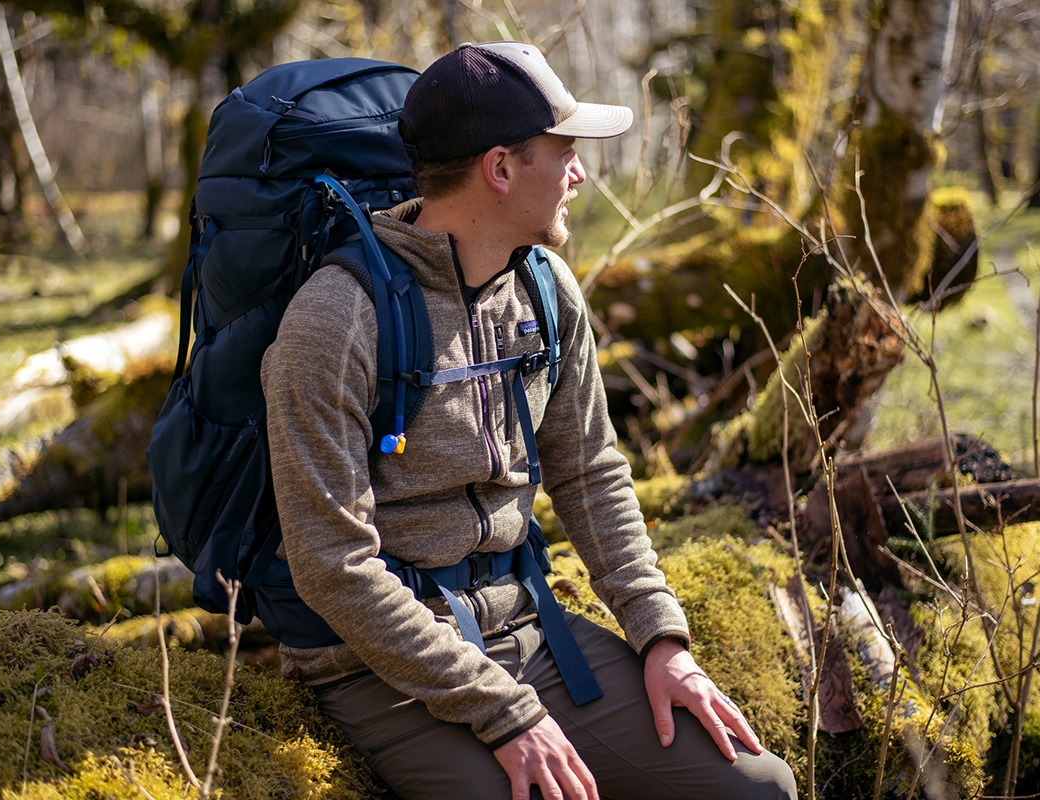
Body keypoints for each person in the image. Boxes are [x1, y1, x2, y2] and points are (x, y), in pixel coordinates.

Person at [261, 41, 798, 800]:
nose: (579, 173)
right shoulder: (336, 320)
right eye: (565, 152)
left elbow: (591, 471)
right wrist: (505, 711)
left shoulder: (546, 292)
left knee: (757, 788)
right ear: (501, 169)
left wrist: (660, 636)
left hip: (528, 629)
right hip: (383, 668)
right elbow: (331, 565)